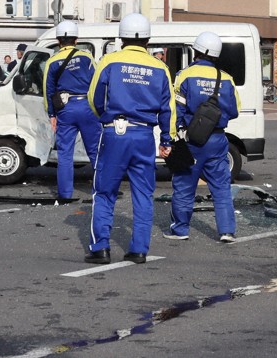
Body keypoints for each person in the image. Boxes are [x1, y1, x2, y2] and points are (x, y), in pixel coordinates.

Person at [84, 13, 174, 264]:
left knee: (104, 191)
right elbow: (169, 108)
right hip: (145, 135)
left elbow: (94, 97)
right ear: (147, 38)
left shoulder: (109, 61)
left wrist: (107, 118)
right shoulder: (160, 68)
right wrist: (167, 139)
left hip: (115, 132)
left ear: (122, 37)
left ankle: (101, 247)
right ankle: (139, 250)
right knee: (143, 193)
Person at [167, 31, 240, 242]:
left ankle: (180, 229)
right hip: (218, 139)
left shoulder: (185, 75)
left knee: (184, 183)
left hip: (193, 139)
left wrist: (173, 134)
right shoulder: (226, 78)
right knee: (221, 186)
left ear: (196, 51)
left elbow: (176, 109)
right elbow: (235, 110)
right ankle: (227, 231)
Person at [43, 21, 100, 200]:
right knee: (95, 151)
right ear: (76, 39)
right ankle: (100, 191)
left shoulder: (52, 61)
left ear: (58, 40)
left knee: (65, 153)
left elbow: (48, 91)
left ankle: (65, 194)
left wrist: (51, 114)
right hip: (87, 107)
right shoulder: (86, 57)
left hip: (65, 109)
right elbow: (97, 83)